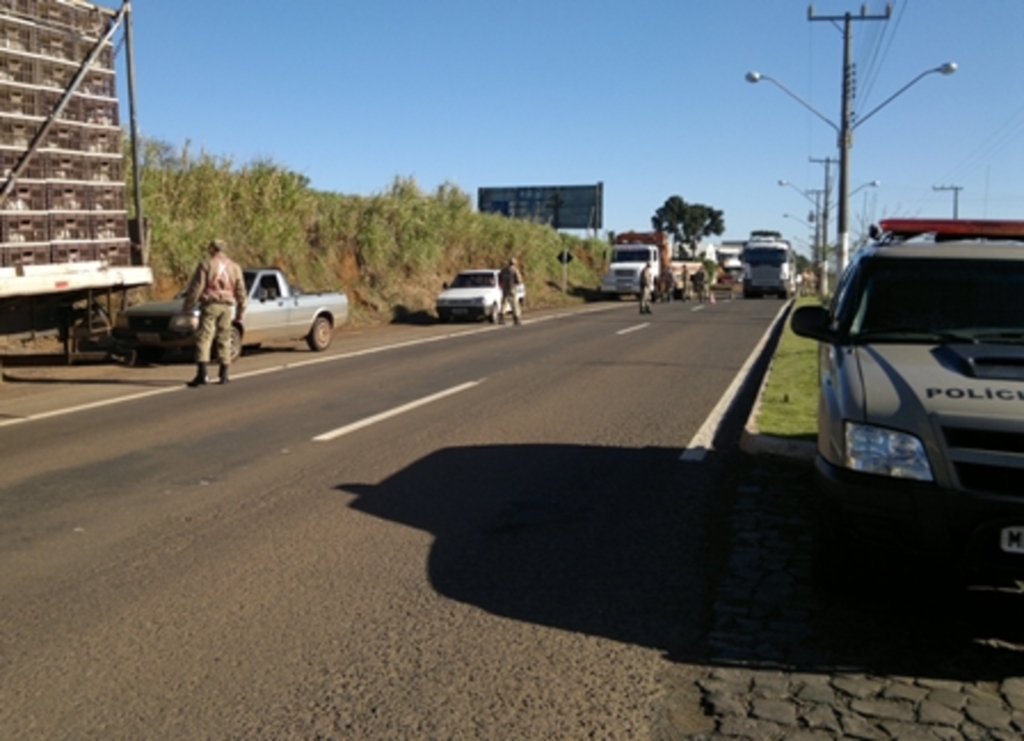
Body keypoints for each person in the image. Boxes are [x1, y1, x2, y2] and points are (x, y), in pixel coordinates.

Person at [182, 239, 247, 386]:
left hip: (210, 305)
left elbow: (196, 287)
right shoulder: (235, 267)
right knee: (224, 338)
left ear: (212, 249)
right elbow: (241, 291)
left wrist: (187, 307)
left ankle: (202, 374)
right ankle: (224, 374)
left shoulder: (206, 264)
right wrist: (241, 310)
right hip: (226, 307)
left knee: (204, 338)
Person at [498, 257, 523, 325]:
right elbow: (519, 280)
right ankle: (516, 318)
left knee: (504, 303)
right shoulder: (514, 270)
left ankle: (501, 318)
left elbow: (499, 277)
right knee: (514, 303)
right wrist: (518, 283)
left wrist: (502, 284)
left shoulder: (503, 270)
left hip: (505, 288)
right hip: (512, 288)